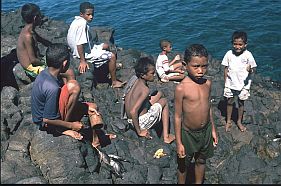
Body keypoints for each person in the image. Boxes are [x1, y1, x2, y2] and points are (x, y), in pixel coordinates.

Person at [31, 43, 116, 147]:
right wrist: (71, 126)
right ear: (64, 63)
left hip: (49, 111)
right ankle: (61, 129)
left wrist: (79, 105)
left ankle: (96, 139)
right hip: (47, 123)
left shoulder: (46, 73)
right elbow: (47, 119)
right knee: (74, 87)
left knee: (92, 107)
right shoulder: (52, 88)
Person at [174, 44, 218, 184]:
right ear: (185, 65)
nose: (200, 70)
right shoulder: (181, 88)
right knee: (183, 165)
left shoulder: (207, 84)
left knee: (201, 160)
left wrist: (213, 130)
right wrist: (179, 142)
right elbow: (177, 116)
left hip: (205, 131)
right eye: (196, 66)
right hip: (188, 133)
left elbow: (208, 108)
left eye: (204, 66)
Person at [67, 2, 126, 88]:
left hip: (87, 47)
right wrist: (83, 61)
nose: (91, 17)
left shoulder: (76, 20)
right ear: (81, 14)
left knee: (106, 46)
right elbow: (79, 44)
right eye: (88, 14)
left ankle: (110, 66)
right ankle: (114, 82)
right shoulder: (82, 24)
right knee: (112, 56)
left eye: (92, 14)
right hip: (84, 52)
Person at [123, 56, 175, 143]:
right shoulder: (145, 90)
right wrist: (139, 132)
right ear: (143, 75)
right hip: (139, 122)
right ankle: (166, 137)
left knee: (159, 94)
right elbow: (133, 111)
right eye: (152, 73)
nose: (154, 75)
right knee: (164, 101)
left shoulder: (135, 80)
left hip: (130, 119)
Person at [222, 31, 257, 132]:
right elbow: (225, 68)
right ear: (232, 43)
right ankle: (228, 121)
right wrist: (226, 83)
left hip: (243, 85)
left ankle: (239, 121)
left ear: (245, 44)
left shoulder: (248, 55)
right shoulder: (229, 54)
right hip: (230, 84)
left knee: (241, 103)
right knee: (229, 102)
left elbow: (254, 68)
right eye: (235, 44)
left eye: (240, 44)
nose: (237, 46)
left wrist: (250, 70)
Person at [16, 3, 51, 78]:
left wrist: (54, 46)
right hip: (31, 68)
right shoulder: (27, 36)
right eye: (40, 15)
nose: (41, 18)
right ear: (35, 18)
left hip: (35, 61)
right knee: (56, 71)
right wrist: (46, 63)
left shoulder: (29, 29)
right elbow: (33, 60)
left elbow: (41, 40)